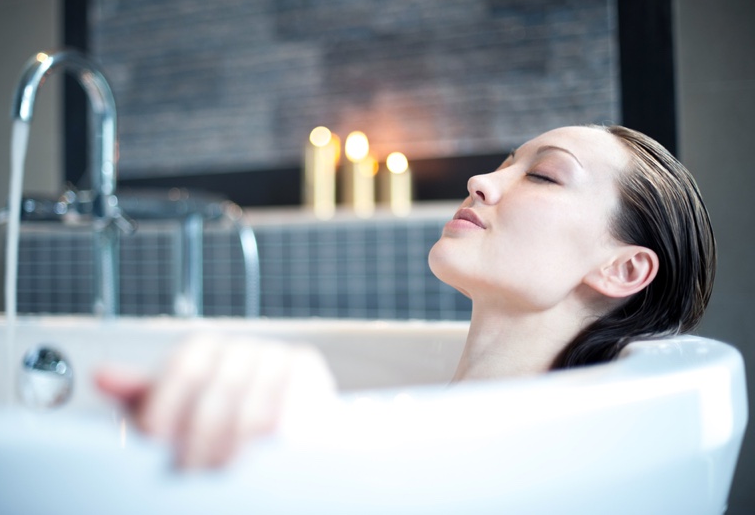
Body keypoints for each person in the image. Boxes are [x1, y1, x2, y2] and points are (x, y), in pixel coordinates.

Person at [96, 124, 716, 469]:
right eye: (505, 162)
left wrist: (311, 423)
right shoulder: (460, 433)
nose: (480, 181)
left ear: (624, 269)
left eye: (544, 174)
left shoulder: (557, 467)